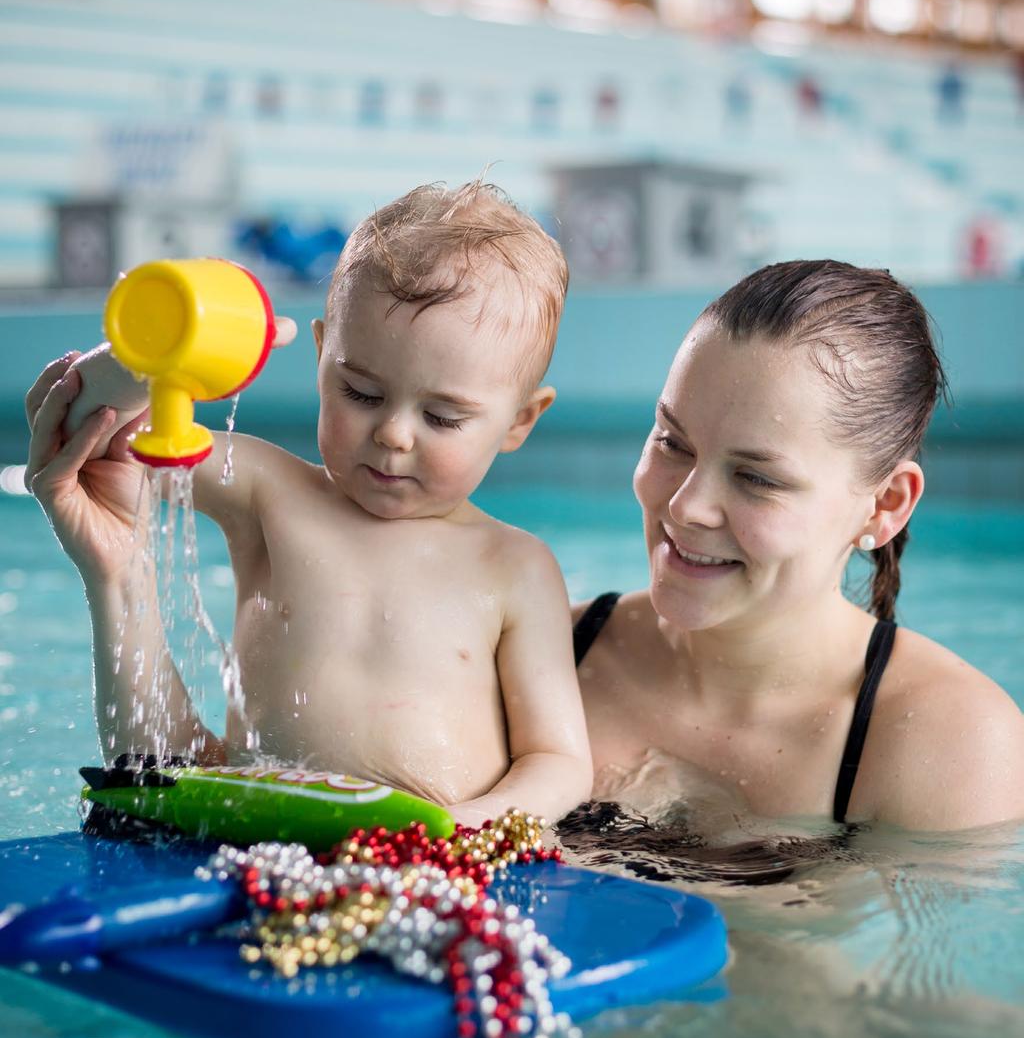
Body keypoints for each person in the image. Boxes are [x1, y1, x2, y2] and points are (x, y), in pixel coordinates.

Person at [25, 182, 592, 827]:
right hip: (252, 829)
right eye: (360, 393)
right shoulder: (270, 489)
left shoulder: (515, 567)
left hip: (438, 856)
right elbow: (102, 436)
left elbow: (559, 761)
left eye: (441, 416)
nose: (394, 434)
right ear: (322, 355)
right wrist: (170, 347)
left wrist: (465, 829)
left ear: (520, 421)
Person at [570, 260, 1023, 833]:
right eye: (672, 442)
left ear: (885, 507)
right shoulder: (547, 656)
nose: (685, 506)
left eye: (757, 479)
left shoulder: (949, 744)